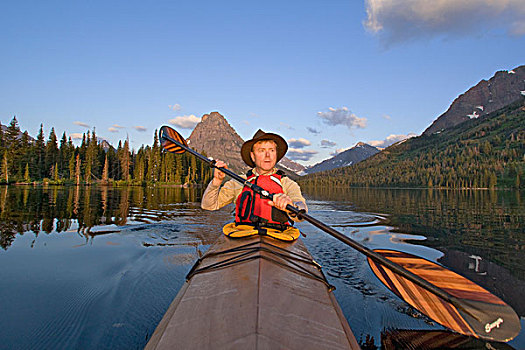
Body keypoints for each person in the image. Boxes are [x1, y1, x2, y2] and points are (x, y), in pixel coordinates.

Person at [201, 129, 307, 231]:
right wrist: (216, 181)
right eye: (261, 151)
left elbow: (301, 208)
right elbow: (208, 205)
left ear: (276, 154)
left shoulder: (287, 184)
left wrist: (291, 207)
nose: (268, 155)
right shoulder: (238, 182)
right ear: (253, 156)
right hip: (245, 236)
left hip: (278, 236)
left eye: (272, 150)